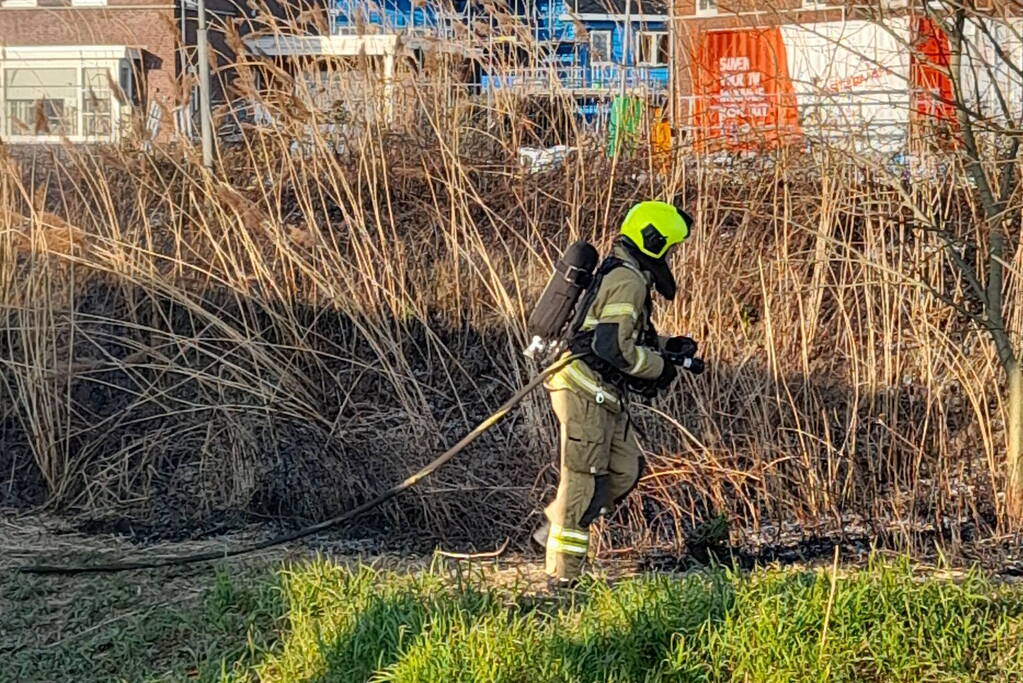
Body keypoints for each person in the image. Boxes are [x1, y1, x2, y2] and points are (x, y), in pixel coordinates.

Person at [534, 201, 701, 586]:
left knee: (624, 471)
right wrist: (661, 368)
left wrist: (667, 345)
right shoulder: (628, 280)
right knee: (582, 480)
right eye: (670, 247)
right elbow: (613, 348)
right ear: (655, 241)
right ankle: (563, 581)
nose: (672, 255)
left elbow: (622, 336)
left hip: (605, 392)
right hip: (582, 387)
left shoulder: (629, 274)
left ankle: (557, 521)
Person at [651, 106, 673, 177]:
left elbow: (666, 140)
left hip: (662, 149)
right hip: (660, 149)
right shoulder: (658, 125)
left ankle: (664, 173)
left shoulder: (664, 125)